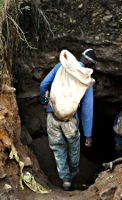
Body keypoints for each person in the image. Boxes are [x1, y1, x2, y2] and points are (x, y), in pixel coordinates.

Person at [40, 49, 97, 191]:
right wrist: (88, 134)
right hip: (70, 120)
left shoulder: (61, 66)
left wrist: (44, 102)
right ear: (89, 62)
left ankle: (66, 180)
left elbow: (43, 85)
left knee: (58, 148)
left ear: (81, 57)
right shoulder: (86, 79)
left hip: (52, 115)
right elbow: (87, 109)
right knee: (73, 146)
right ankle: (74, 172)